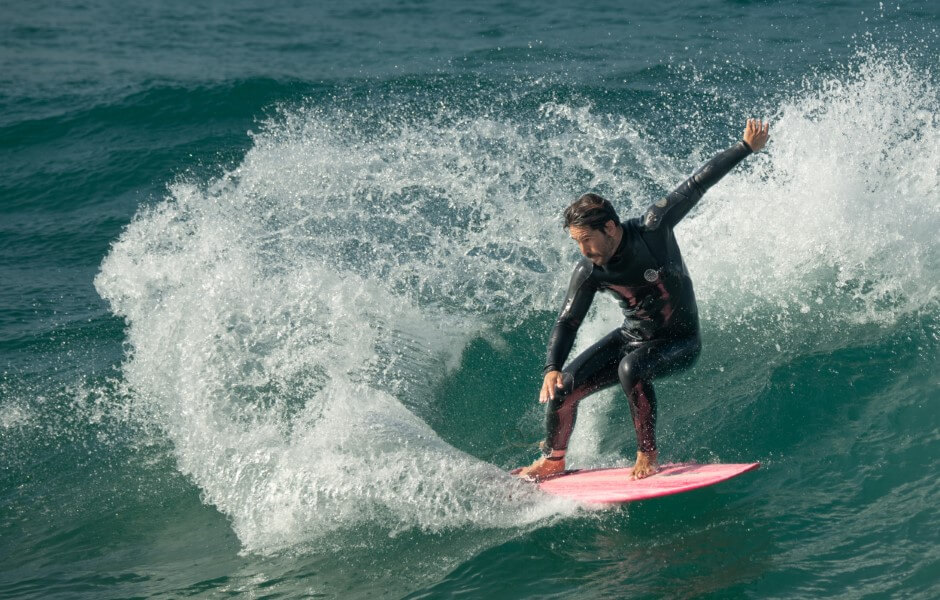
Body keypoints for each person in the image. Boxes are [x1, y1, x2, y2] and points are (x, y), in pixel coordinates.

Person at [515, 118, 770, 481]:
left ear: (610, 227)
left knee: (631, 369)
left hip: (679, 341)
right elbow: (568, 321)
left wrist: (744, 148)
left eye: (586, 240)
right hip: (633, 337)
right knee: (563, 387)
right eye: (576, 243)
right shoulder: (590, 271)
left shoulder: (653, 229)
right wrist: (551, 368)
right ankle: (554, 459)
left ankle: (646, 455)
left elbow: (697, 184)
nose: (583, 251)